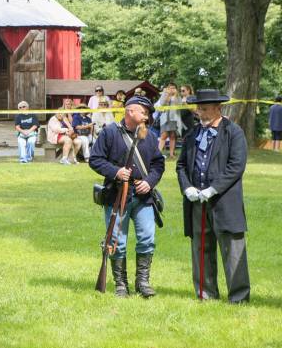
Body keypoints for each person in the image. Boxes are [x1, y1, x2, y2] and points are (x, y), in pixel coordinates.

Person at [176, 89, 250, 303]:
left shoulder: (233, 132)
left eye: (205, 109)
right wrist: (187, 187)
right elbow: (181, 165)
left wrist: (213, 189)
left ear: (218, 109)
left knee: (233, 251)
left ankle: (239, 298)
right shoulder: (192, 134)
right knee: (201, 249)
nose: (200, 113)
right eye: (199, 108)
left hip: (224, 201)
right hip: (197, 203)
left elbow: (236, 166)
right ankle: (206, 294)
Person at [89, 96, 164, 298]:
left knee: (147, 238)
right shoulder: (110, 133)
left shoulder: (149, 135)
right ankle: (121, 284)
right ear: (130, 111)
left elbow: (158, 164)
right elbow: (95, 159)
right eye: (144, 112)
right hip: (116, 196)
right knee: (117, 242)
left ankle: (143, 282)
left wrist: (149, 182)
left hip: (143, 196)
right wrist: (116, 172)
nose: (146, 117)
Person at [154, 82, 182, 159]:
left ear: (176, 89)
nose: (172, 89)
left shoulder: (178, 96)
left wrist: (175, 95)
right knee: (163, 136)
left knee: (173, 136)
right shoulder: (164, 94)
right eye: (170, 87)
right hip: (165, 118)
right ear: (167, 88)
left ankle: (172, 154)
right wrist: (168, 95)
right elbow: (162, 104)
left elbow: (180, 105)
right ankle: (158, 154)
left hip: (175, 118)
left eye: (173, 88)